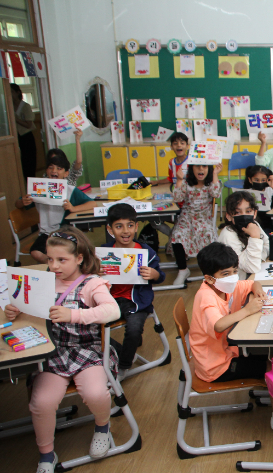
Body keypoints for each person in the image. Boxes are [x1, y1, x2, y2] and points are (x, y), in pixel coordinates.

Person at [4, 227, 121, 472]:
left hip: (87, 351)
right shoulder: (42, 281)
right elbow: (29, 308)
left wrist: (74, 314)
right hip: (52, 352)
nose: (54, 265)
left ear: (79, 258)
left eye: (62, 260)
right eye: (49, 259)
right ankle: (46, 455)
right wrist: (15, 310)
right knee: (42, 402)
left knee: (96, 393)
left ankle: (102, 426)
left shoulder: (92, 283)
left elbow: (113, 311)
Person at [191, 242, 273, 430]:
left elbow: (252, 282)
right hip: (215, 366)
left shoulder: (225, 287)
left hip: (226, 352)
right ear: (209, 279)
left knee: (271, 357)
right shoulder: (206, 297)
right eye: (225, 274)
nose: (232, 277)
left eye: (234, 271)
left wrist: (257, 289)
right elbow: (218, 325)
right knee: (269, 365)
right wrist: (247, 310)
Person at [101, 204, 166, 381]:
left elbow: (160, 276)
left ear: (136, 227)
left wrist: (154, 274)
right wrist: (96, 273)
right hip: (111, 301)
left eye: (130, 225)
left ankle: (123, 366)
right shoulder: (105, 252)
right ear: (110, 229)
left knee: (134, 329)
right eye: (118, 226)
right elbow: (91, 278)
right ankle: (122, 351)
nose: (125, 231)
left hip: (138, 302)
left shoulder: (146, 252)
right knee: (91, 327)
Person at [16, 151, 97, 263]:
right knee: (35, 252)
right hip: (47, 233)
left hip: (67, 231)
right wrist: (23, 202)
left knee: (71, 251)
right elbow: (18, 203)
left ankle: (65, 266)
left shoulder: (70, 189)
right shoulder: (39, 188)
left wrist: (73, 208)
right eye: (51, 168)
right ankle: (54, 266)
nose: (54, 171)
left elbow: (92, 203)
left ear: (66, 173)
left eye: (59, 168)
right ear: (46, 171)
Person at [168, 163, 223, 286]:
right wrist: (179, 180)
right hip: (187, 217)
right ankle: (183, 270)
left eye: (204, 166)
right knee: (177, 235)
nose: (201, 169)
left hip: (204, 218)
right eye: (197, 166)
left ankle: (210, 270)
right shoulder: (187, 183)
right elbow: (177, 198)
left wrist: (215, 174)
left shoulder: (210, 184)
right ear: (191, 168)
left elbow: (216, 194)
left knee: (208, 234)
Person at [217, 191, 270, 279]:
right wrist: (255, 238)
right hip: (237, 286)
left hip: (253, 277)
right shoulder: (228, 234)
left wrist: (258, 258)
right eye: (238, 212)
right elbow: (252, 268)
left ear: (255, 213)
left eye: (248, 211)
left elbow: (267, 246)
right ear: (229, 216)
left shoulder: (254, 224)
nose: (244, 215)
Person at [152, 132, 190, 237]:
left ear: (187, 146)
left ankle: (176, 239)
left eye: (182, 143)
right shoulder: (171, 162)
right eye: (175, 143)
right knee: (154, 219)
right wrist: (156, 182)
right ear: (171, 147)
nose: (179, 145)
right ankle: (174, 238)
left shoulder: (191, 163)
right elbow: (170, 179)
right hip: (175, 201)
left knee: (179, 225)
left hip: (187, 204)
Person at [243, 165, 273, 234]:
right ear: (250, 180)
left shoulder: (270, 191)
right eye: (256, 180)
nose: (260, 182)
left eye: (263, 180)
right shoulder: (246, 193)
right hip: (250, 225)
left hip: (267, 225)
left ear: (267, 180)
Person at [11, 83, 37, 181]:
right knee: (19, 163)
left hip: (26, 137)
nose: (10, 94)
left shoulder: (25, 106)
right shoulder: (10, 106)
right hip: (16, 137)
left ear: (17, 92)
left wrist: (15, 119)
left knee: (29, 163)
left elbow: (29, 124)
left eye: (12, 92)